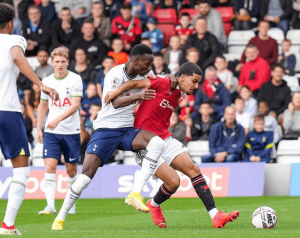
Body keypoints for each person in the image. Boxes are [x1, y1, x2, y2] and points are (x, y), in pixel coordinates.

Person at [104, 62, 239, 229]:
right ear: (182, 77)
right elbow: (133, 83)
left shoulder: (180, 91)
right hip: (145, 142)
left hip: (164, 138)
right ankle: (151, 203)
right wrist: (115, 91)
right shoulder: (163, 83)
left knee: (194, 170)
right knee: (174, 182)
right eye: (194, 81)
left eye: (198, 82)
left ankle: (215, 216)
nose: (196, 86)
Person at [52, 44, 172, 230]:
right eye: (146, 64)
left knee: (156, 142)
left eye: (150, 65)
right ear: (134, 61)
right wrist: (139, 95)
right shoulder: (115, 74)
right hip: (105, 130)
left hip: (127, 130)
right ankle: (60, 217)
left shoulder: (146, 76)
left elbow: (162, 79)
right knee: (84, 178)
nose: (149, 68)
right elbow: (114, 102)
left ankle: (136, 193)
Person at [0, 3, 58, 235]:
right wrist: (40, 83)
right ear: (12, 23)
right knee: (21, 170)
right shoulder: (16, 40)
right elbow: (17, 58)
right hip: (7, 111)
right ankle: (7, 225)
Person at [37, 47, 83, 216]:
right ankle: (50, 205)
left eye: (63, 61)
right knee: (49, 166)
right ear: (52, 62)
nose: (60, 64)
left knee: (71, 171)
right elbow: (42, 105)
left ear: (68, 62)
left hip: (71, 131)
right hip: (51, 132)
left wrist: (56, 120)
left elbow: (75, 105)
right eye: (57, 61)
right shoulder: (47, 80)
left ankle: (71, 204)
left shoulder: (75, 79)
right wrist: (40, 127)